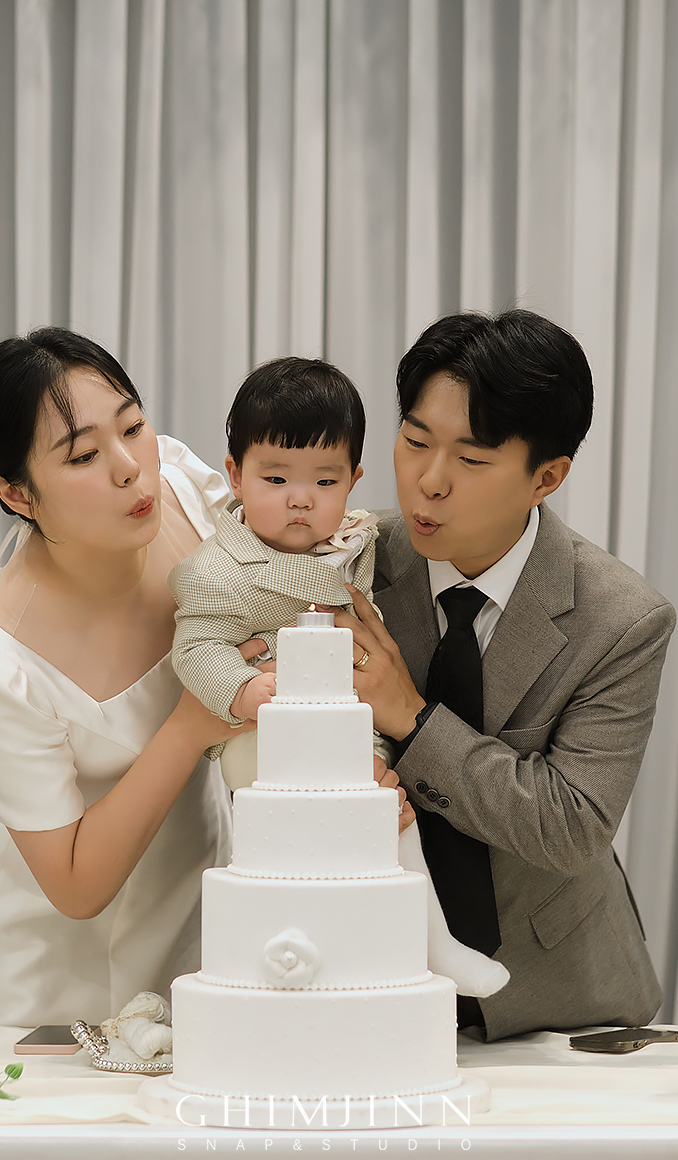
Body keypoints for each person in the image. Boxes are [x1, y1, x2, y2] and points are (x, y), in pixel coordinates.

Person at [339, 309, 676, 1041]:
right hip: (359, 982)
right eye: (415, 441)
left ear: (546, 477)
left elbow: (570, 826)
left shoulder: (621, 618)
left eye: (471, 460)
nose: (428, 482)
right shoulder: (348, 561)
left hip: (556, 997)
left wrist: (413, 720)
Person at [0, 328, 251, 1030]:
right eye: (84, 456)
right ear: (17, 493)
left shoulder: (186, 492)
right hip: (41, 964)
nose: (130, 468)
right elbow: (72, 885)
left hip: (189, 898)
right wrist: (191, 726)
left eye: (132, 426)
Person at [166, 357, 507, 997]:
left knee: (388, 813)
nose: (300, 498)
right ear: (235, 475)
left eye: (324, 481)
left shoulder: (358, 542)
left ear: (352, 480)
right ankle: (317, 952)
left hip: (349, 721)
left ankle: (426, 945)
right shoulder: (215, 571)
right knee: (338, 823)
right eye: (275, 479)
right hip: (260, 735)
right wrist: (244, 689)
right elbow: (196, 647)